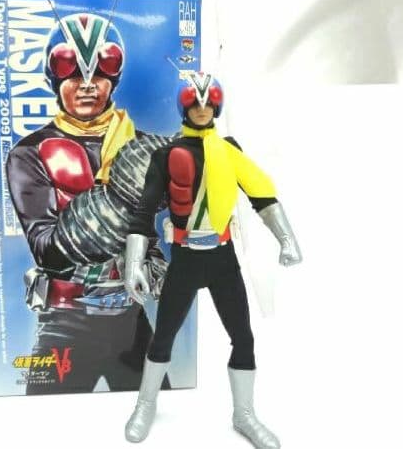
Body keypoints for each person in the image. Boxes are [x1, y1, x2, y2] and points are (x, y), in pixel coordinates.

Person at [123, 71, 302, 447]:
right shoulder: (166, 155)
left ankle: (245, 414)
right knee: (163, 338)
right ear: (183, 106)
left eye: (209, 102)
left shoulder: (229, 149)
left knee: (243, 338)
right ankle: (145, 404)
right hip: (185, 260)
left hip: (222, 260)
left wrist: (286, 239)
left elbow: (261, 194)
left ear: (218, 105)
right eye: (195, 102)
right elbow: (143, 213)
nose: (202, 108)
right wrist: (134, 263)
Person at [6, 12, 169, 394]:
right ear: (55, 79)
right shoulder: (30, 153)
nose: (87, 86)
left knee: (161, 412)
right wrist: (123, 195)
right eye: (73, 73)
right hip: (66, 321)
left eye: (99, 73)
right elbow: (47, 250)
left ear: (114, 79)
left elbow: (147, 235)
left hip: (130, 315)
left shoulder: (140, 144)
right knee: (44, 419)